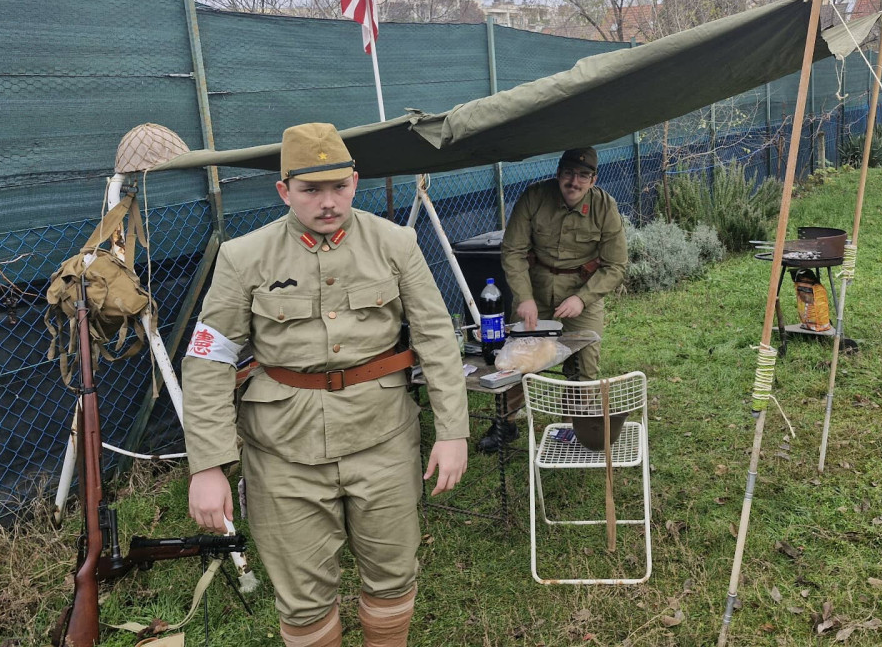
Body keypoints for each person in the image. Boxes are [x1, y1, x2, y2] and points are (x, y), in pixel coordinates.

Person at [183, 122, 469, 647]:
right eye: (311, 190)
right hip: (283, 453)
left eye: (338, 186)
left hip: (382, 438)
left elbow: (435, 337)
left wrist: (453, 432)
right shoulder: (244, 257)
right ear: (284, 191)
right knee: (303, 600)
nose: (328, 202)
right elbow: (209, 359)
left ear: (355, 182)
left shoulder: (396, 244)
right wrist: (207, 465)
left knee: (392, 577)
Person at [493, 147, 627, 452]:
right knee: (515, 358)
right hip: (535, 289)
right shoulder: (535, 197)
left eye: (583, 176)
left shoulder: (605, 207)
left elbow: (616, 266)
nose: (574, 182)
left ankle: (572, 428)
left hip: (582, 291)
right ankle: (506, 423)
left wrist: (583, 299)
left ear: (593, 179)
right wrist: (524, 297)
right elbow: (513, 250)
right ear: (558, 173)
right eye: (568, 173)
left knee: (585, 363)